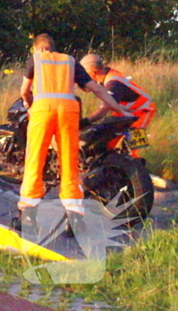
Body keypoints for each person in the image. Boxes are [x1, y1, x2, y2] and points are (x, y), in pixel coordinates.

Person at [15, 34, 133, 231]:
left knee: (35, 160)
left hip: (42, 111)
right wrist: (119, 109)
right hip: (69, 112)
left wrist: (28, 101)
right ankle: (75, 220)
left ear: (39, 49)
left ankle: (27, 218)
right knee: (69, 163)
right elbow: (96, 88)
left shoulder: (35, 59)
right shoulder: (70, 61)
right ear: (53, 47)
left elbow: (24, 91)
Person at [79, 54, 156, 158]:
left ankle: (137, 168)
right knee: (109, 140)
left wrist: (87, 121)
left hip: (143, 110)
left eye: (85, 74)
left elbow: (104, 109)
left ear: (93, 72)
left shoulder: (114, 83)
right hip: (125, 111)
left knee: (133, 145)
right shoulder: (106, 74)